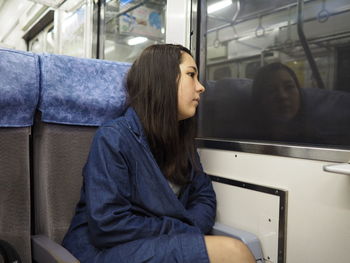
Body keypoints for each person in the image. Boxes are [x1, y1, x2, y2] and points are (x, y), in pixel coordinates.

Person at [62, 44, 255, 263]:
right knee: (234, 253)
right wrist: (186, 228)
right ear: (162, 80)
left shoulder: (182, 141)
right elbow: (109, 224)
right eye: (191, 75)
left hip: (157, 241)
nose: (201, 87)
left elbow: (204, 196)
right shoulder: (114, 137)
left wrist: (186, 229)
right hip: (106, 251)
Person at [251, 62, 306, 142]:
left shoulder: (316, 140)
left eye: (289, 87)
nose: (283, 96)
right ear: (259, 99)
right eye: (271, 90)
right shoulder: (250, 141)